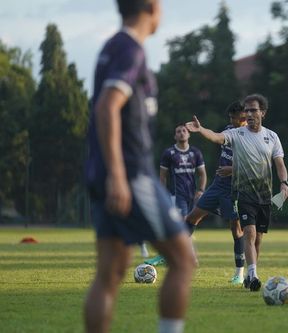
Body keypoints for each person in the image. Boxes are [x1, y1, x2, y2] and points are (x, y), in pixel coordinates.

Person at [83, 1, 196, 332]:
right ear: (151, 6)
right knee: (182, 260)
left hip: (105, 174)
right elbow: (107, 107)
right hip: (130, 176)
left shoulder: (112, 46)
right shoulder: (130, 50)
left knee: (110, 273)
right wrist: (119, 175)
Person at [186, 93, 288, 292]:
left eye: (253, 110)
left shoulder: (272, 137)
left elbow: (279, 164)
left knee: (257, 238)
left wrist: (284, 182)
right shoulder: (236, 134)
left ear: (263, 113)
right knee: (248, 233)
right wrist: (200, 130)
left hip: (264, 194)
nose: (249, 114)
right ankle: (252, 276)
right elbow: (217, 137)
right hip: (242, 193)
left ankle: (249, 273)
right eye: (247, 111)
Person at [184, 101, 247, 285]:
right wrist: (201, 128)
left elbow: (256, 166)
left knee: (236, 230)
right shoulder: (229, 129)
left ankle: (239, 272)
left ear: (242, 117)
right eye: (230, 117)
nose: (231, 120)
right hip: (217, 186)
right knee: (191, 218)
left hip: (234, 189)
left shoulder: (251, 136)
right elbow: (215, 136)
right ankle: (174, 253)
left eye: (233, 117)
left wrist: (232, 170)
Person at [144, 124, 206, 266]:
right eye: (178, 131)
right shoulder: (169, 153)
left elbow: (202, 174)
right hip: (176, 195)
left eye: (184, 131)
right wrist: (163, 194)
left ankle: (173, 254)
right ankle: (184, 256)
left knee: (187, 225)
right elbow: (162, 176)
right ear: (175, 136)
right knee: (181, 224)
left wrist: (201, 190)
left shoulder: (195, 153)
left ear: (189, 134)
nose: (182, 133)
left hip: (192, 195)